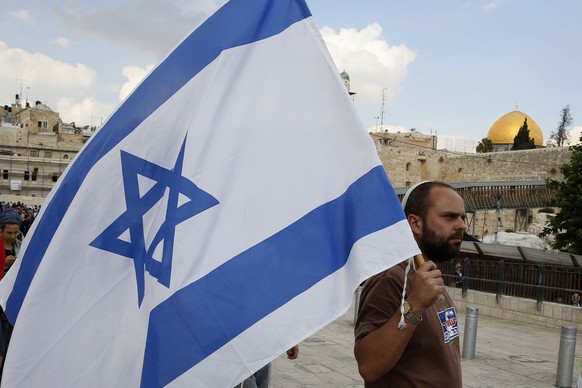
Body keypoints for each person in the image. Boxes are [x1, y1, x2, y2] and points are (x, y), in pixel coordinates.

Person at [354, 181, 465, 387]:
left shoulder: (426, 274)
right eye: (450, 217)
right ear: (415, 223)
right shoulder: (391, 278)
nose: (461, 225)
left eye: (462, 217)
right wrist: (414, 305)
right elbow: (368, 366)